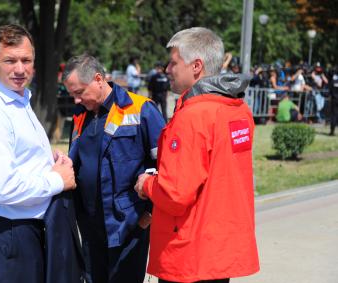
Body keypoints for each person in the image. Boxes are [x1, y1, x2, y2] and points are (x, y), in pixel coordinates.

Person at [134, 27, 259, 283]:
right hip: (220, 248)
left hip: (190, 252)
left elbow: (175, 194)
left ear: (196, 66)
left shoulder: (193, 116)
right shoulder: (239, 110)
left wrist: (146, 184)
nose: (167, 69)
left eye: (173, 62)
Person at [0, 24, 77, 283]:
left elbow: (17, 156)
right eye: (10, 60)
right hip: (7, 235)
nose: (20, 69)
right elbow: (1, 187)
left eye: (27, 60)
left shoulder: (15, 99)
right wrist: (57, 181)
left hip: (23, 232)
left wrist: (48, 161)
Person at [62, 54, 165, 283]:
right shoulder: (80, 116)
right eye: (72, 95)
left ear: (99, 79)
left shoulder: (142, 110)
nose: (76, 100)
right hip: (89, 229)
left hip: (128, 227)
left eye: (79, 92)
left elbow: (166, 167)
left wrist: (148, 216)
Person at [329, 66, 338, 136]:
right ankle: (332, 131)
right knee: (334, 115)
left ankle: (332, 131)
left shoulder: (333, 78)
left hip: (334, 98)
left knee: (333, 115)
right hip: (334, 99)